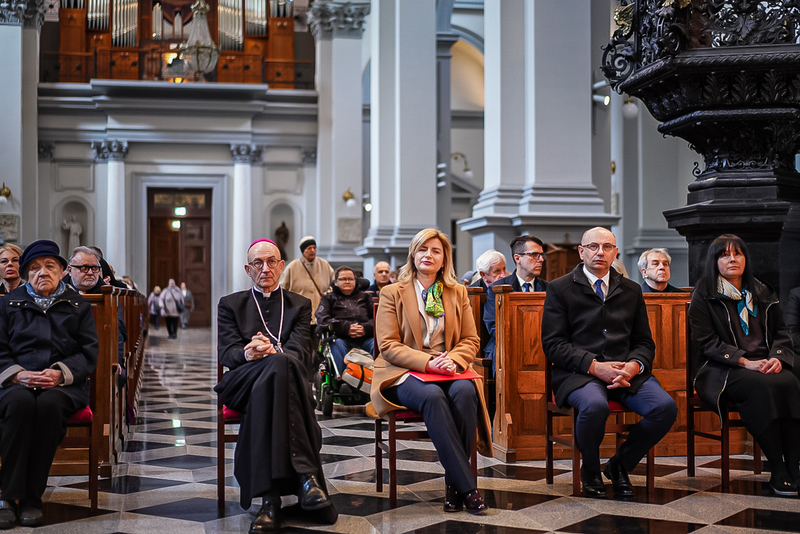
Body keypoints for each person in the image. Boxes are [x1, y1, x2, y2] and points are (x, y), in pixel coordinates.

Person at [541, 227, 677, 498]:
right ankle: (590, 469)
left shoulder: (631, 290)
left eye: (607, 247)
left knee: (665, 408)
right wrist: (594, 366)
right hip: (579, 373)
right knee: (593, 406)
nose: (600, 252)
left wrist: (634, 365)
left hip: (626, 373)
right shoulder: (560, 288)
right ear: (581, 252)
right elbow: (553, 345)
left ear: (615, 252)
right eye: (593, 246)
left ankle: (618, 465)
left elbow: (644, 342)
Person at [214, 239, 336, 533]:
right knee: (281, 369)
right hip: (242, 380)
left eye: (272, 262)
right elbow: (227, 353)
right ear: (248, 269)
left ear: (282, 266)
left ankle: (269, 501)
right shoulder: (230, 304)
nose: (265, 268)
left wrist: (273, 353)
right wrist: (248, 352)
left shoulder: (300, 304)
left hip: (280, 379)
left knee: (279, 371)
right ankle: (307, 477)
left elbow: (301, 354)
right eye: (258, 263)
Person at [370, 228, 492, 515]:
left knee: (464, 393)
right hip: (402, 371)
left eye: (436, 251)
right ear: (413, 254)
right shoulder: (392, 292)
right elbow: (388, 345)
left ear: (444, 259)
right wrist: (427, 363)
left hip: (449, 368)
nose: (429, 255)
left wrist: (455, 361)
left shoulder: (457, 292)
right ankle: (468, 487)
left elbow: (471, 340)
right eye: (423, 249)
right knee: (433, 397)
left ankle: (454, 485)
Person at [688, 234, 800, 496]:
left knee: (791, 381)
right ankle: (777, 468)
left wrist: (777, 357)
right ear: (714, 261)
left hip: (764, 363)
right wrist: (744, 361)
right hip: (721, 369)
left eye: (738, 253)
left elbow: (782, 332)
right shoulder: (704, 295)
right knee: (759, 386)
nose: (732, 259)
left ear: (745, 258)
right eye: (724, 255)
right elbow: (706, 343)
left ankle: (794, 466)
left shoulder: (762, 291)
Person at [0, 239, 98, 529]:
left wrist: (59, 373)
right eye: (34, 268)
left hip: (63, 386)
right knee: (18, 403)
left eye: (49, 266)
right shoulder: (7, 303)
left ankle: (31, 498)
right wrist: (18, 374)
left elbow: (88, 352)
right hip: (15, 383)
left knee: (48, 406)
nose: (42, 273)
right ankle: (8, 497)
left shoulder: (78, 304)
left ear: (62, 271)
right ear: (26, 274)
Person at [484, 236, 548, 370]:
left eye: (541, 255)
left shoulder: (548, 289)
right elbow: (493, 326)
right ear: (517, 258)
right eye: (535, 255)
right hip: (507, 346)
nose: (541, 260)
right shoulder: (498, 288)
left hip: (540, 346)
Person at [315, 266, 374, 377]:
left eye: (350, 279)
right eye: (343, 279)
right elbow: (322, 319)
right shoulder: (328, 299)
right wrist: (346, 328)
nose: (347, 281)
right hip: (340, 338)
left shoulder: (366, 297)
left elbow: (380, 319)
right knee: (336, 344)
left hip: (366, 337)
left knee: (377, 344)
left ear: (355, 281)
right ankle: (342, 379)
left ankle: (378, 379)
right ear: (336, 282)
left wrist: (365, 328)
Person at [280, 236, 334, 319]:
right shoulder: (292, 267)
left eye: (314, 248)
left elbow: (334, 285)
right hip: (299, 313)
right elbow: (282, 289)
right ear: (303, 250)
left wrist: (326, 295)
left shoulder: (324, 265)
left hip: (320, 313)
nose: (312, 251)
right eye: (309, 248)